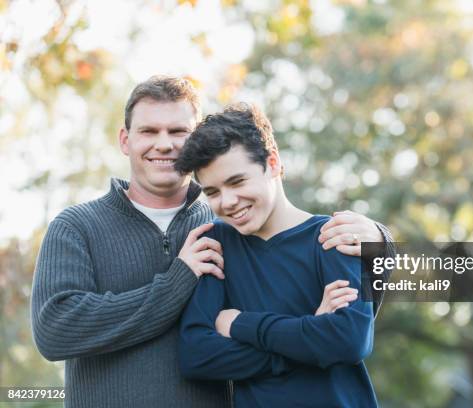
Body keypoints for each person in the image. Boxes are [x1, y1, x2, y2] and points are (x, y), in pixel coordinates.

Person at [31, 76, 392, 408]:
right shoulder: (78, 226)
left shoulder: (231, 226)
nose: (164, 144)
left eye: (178, 131)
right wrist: (178, 281)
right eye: (149, 131)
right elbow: (55, 332)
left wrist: (381, 242)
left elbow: (352, 331)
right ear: (126, 140)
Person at [177, 103, 378, 407]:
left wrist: (240, 324)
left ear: (272, 163)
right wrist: (308, 332)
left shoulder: (333, 236)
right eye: (213, 192)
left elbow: (349, 340)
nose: (228, 201)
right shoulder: (215, 245)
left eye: (237, 181)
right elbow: (197, 356)